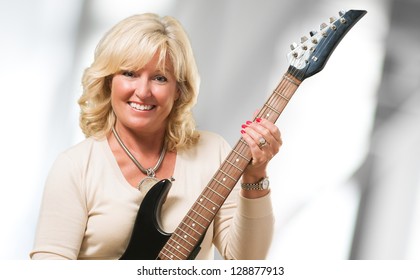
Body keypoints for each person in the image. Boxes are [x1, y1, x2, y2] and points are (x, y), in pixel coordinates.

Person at [30, 13, 281, 260]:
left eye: (160, 78)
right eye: (129, 73)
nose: (143, 91)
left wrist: (255, 176)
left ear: (179, 90)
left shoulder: (213, 152)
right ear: (108, 82)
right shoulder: (75, 166)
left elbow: (247, 261)